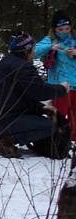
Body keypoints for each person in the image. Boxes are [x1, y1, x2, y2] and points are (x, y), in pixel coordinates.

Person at [0, 31, 69, 158]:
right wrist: (61, 89)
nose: (34, 52)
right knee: (49, 127)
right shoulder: (23, 67)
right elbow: (39, 91)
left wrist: (42, 108)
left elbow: (23, 95)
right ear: (26, 50)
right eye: (33, 49)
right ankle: (5, 139)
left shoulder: (6, 62)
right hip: (3, 119)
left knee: (42, 121)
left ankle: (4, 135)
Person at [35, 11, 76, 142]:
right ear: (54, 29)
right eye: (60, 29)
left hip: (75, 86)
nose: (64, 31)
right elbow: (34, 52)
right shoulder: (49, 40)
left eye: (67, 28)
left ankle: (72, 143)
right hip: (59, 87)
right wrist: (50, 47)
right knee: (58, 117)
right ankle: (55, 141)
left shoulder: (74, 40)